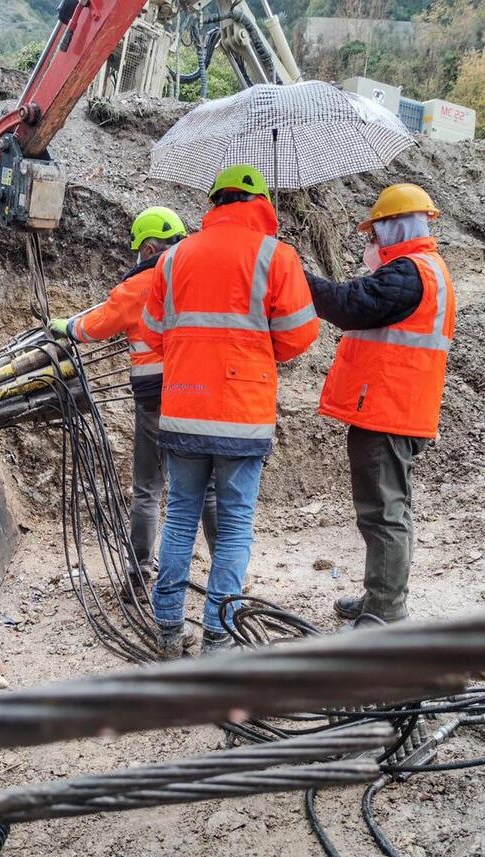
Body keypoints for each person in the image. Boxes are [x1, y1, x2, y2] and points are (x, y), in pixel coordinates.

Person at [141, 165, 318, 657]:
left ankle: (168, 628)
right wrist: (257, 349)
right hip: (242, 412)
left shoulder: (173, 258)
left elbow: (152, 331)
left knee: (180, 517)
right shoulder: (276, 255)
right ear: (260, 203)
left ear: (214, 203)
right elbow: (299, 335)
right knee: (236, 523)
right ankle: (218, 635)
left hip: (183, 407)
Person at [48, 208, 218, 604]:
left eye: (139, 249)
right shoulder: (200, 278)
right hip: (201, 395)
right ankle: (226, 576)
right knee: (208, 490)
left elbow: (97, 325)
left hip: (156, 400)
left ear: (149, 248)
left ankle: (139, 577)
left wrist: (67, 326)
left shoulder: (142, 283)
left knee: (147, 489)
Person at [306, 183, 456, 626]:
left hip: (389, 412)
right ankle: (380, 597)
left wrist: (295, 274)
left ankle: (385, 613)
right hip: (401, 408)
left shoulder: (409, 273)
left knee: (383, 514)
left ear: (395, 227)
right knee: (390, 510)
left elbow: (348, 306)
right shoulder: (424, 269)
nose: (371, 241)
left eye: (375, 233)